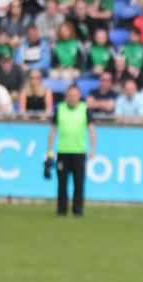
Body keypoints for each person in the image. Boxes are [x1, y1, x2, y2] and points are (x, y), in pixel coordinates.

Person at [47, 83, 95, 216]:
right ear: (66, 96)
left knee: (78, 183)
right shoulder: (60, 108)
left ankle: (77, 210)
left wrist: (93, 148)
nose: (72, 98)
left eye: (74, 95)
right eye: (70, 95)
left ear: (79, 96)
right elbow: (53, 130)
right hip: (63, 151)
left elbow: (91, 129)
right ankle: (62, 210)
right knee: (62, 183)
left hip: (79, 151)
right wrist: (49, 150)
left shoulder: (84, 109)